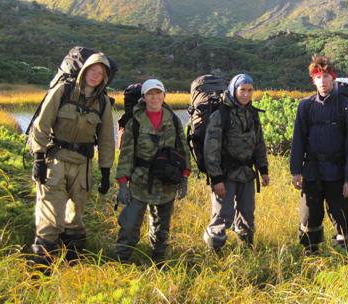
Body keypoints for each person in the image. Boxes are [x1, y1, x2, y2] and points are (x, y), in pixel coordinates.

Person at [29, 53, 115, 264]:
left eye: (100, 73)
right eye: (93, 70)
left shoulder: (103, 103)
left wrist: (105, 171)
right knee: (50, 220)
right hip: (55, 162)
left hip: (82, 167)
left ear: (105, 78)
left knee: (75, 220)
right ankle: (39, 274)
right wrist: (39, 159)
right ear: (85, 70)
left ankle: (72, 268)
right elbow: (41, 126)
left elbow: (106, 140)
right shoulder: (63, 91)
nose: (95, 75)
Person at [290, 55, 348, 254]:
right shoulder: (305, 106)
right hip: (312, 171)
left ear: (333, 78)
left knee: (341, 216)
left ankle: (347, 254)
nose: (322, 81)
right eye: (318, 77)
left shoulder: (347, 108)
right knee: (309, 215)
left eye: (326, 76)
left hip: (337, 172)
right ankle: (311, 253)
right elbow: (298, 140)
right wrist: (296, 171)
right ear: (313, 80)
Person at [115, 79, 190, 264]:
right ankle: (121, 261)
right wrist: (123, 184)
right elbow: (126, 155)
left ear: (164, 95)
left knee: (161, 227)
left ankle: (158, 260)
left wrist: (185, 178)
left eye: (158, 93)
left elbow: (183, 149)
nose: (154, 97)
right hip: (140, 181)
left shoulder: (173, 120)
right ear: (144, 97)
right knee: (129, 224)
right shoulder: (135, 122)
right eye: (150, 93)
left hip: (166, 182)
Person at [203, 73, 270, 250]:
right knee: (222, 216)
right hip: (225, 174)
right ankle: (214, 254)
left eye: (250, 90)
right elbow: (211, 150)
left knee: (247, 214)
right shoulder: (221, 115)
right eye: (242, 90)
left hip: (247, 174)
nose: (246, 94)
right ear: (234, 90)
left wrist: (263, 169)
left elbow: (259, 143)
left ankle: (247, 252)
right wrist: (216, 179)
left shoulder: (252, 114)